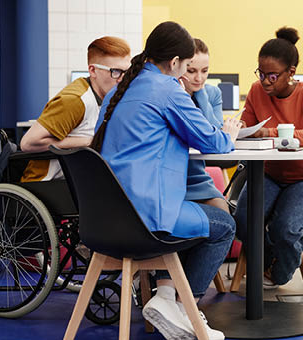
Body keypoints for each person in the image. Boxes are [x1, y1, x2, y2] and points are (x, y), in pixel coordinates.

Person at [92, 22, 241, 340]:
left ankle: (165, 299)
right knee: (223, 225)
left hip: (105, 220)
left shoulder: (120, 90)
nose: (189, 75)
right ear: (174, 63)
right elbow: (212, 142)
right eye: (188, 67)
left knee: (196, 210)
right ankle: (184, 310)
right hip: (146, 220)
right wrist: (229, 133)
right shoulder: (167, 89)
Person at [234, 27, 303, 290]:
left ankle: (279, 272)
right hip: (270, 174)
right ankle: (269, 259)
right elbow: (249, 128)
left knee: (285, 228)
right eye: (261, 73)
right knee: (242, 220)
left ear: (291, 72)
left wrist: (272, 133)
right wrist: (236, 127)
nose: (265, 81)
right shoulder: (257, 91)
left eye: (272, 76)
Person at [20, 36, 131, 181]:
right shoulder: (75, 100)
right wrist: (88, 142)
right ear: (92, 70)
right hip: (47, 184)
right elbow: (28, 143)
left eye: (127, 72)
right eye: (115, 71)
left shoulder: (107, 98)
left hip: (74, 180)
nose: (122, 79)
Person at [181, 38, 229, 213]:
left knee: (224, 211)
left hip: (197, 175)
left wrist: (200, 92)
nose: (199, 77)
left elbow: (214, 132)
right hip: (176, 174)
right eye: (191, 71)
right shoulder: (171, 93)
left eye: (205, 71)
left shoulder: (213, 93)